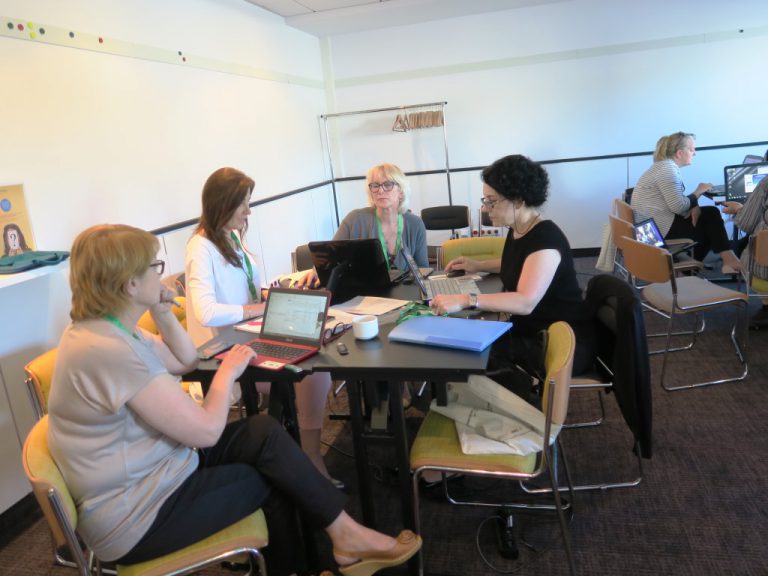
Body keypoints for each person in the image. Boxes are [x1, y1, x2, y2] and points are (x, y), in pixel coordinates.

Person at [47, 223, 421, 576]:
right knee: (274, 477)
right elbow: (207, 432)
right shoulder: (109, 351)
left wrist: (161, 312)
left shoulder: (107, 329)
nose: (160, 275)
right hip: (137, 515)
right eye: (153, 267)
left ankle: (345, 538)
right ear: (130, 284)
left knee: (263, 431)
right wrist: (227, 372)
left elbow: (186, 361)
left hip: (160, 469)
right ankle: (310, 559)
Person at [185, 167, 335, 481]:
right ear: (222, 204)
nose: (248, 211)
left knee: (315, 361)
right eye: (242, 203)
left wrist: (273, 292)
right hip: (226, 354)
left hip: (249, 336)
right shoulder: (200, 247)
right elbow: (206, 312)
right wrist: (259, 307)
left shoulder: (230, 236)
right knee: (312, 375)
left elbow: (243, 291)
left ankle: (301, 453)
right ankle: (308, 457)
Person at [430, 154, 594, 398]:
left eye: (492, 202)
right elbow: (520, 263)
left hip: (559, 341)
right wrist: (478, 265)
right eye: (485, 200)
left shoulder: (545, 239)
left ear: (518, 201)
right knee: (468, 338)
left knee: (473, 350)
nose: (486, 209)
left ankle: (515, 406)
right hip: (535, 329)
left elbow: (525, 302)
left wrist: (466, 300)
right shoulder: (520, 228)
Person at [297, 163, 428, 288]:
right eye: (375, 185)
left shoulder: (415, 224)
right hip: (365, 292)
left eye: (387, 185)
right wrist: (317, 271)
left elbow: (424, 270)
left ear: (401, 192)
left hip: (403, 293)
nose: (380, 191)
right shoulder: (354, 219)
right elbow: (330, 255)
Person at [630, 131, 741, 272]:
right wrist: (699, 191)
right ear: (679, 153)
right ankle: (694, 268)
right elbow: (678, 206)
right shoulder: (668, 170)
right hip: (654, 233)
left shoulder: (663, 166)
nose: (695, 153)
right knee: (710, 220)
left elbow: (675, 201)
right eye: (691, 149)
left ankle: (693, 268)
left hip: (650, 228)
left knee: (708, 216)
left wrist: (694, 203)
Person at [722, 174, 768, 327]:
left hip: (763, 274)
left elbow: (746, 223)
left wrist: (739, 209)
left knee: (749, 245)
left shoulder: (766, 183)